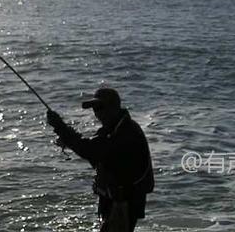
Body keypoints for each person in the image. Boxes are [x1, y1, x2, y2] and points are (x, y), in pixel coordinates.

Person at [46, 88, 154, 232]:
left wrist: (60, 126)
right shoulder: (114, 128)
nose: (97, 113)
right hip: (115, 202)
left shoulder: (125, 132)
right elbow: (96, 152)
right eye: (95, 109)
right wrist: (69, 139)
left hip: (124, 204)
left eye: (100, 108)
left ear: (114, 107)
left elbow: (90, 150)